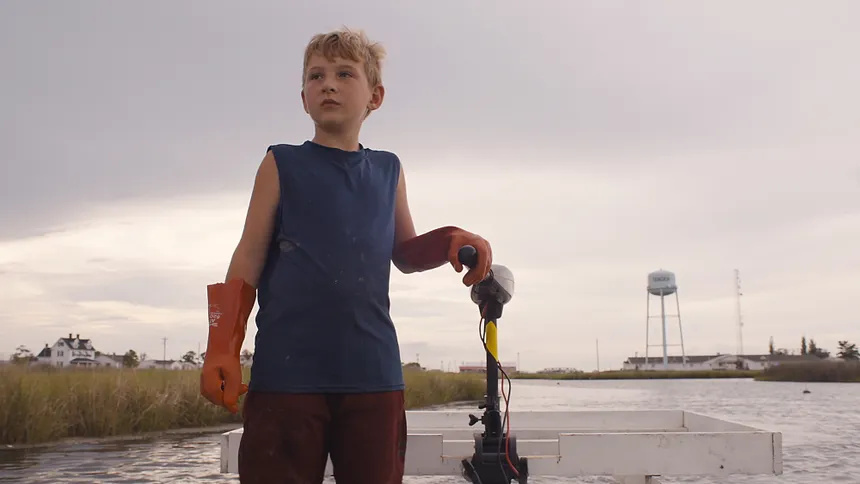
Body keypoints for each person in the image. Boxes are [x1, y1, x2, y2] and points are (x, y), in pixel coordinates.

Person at [200, 27, 493, 484]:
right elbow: (247, 259)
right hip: (286, 378)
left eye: (343, 74)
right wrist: (222, 347)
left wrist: (449, 239)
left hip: (372, 377)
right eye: (315, 76)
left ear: (375, 96)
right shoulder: (280, 163)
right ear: (303, 99)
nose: (328, 85)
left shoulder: (388, 169)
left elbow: (404, 253)